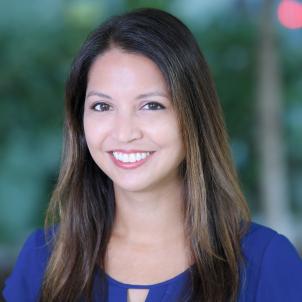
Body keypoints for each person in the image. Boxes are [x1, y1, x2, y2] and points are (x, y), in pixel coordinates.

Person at [2, 7, 302, 302]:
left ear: (194, 116)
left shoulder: (265, 262)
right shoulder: (43, 260)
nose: (124, 133)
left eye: (151, 105)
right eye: (102, 106)